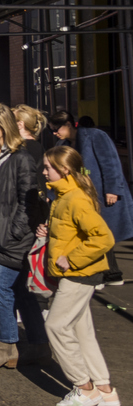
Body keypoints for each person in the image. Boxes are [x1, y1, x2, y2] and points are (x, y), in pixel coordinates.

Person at [38, 145, 121, 406]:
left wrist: (71, 258)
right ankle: (105, 391)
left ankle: (84, 389)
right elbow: (72, 230)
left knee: (56, 325)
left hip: (79, 274)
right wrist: (48, 230)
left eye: (48, 167)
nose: (44, 172)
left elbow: (104, 238)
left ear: (64, 170)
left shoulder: (74, 198)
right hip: (76, 273)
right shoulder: (64, 196)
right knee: (81, 332)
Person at [0, 103, 49, 369]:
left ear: (4, 127)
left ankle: (6, 345)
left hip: (13, 238)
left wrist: (15, 233)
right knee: (19, 291)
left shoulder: (21, 158)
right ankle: (38, 345)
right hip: (1, 235)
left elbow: (29, 201)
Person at [48, 111, 133, 286]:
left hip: (100, 193)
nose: (55, 133)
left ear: (69, 125)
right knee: (90, 233)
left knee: (100, 232)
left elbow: (110, 162)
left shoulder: (95, 136)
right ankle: (109, 274)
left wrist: (112, 189)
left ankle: (109, 274)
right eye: (52, 131)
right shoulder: (62, 144)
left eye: (56, 129)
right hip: (80, 196)